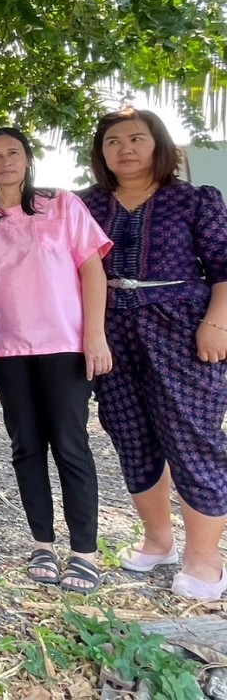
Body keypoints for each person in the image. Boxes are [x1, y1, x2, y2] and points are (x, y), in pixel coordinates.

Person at [0, 128, 112, 591]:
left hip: (64, 344)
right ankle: (43, 543)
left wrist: (95, 335)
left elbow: (90, 268)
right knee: (25, 446)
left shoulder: (61, 205)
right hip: (7, 349)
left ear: (27, 160)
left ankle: (84, 551)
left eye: (13, 153)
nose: (4, 161)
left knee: (70, 443)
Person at [80, 109, 227, 601]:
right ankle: (158, 540)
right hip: (112, 328)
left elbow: (224, 266)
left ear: (157, 144)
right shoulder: (86, 206)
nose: (125, 148)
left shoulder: (194, 201)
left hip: (182, 326)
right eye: (113, 141)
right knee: (130, 433)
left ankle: (205, 559)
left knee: (192, 435)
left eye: (137, 138)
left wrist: (216, 322)